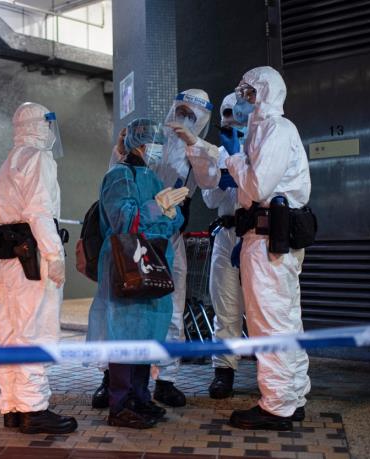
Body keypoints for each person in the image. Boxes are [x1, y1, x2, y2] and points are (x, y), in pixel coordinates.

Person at [173, 67, 311, 431]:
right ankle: (292, 397)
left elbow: (257, 185)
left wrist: (230, 158)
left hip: (268, 239)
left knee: (270, 323)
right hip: (261, 238)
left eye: (249, 94)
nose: (244, 102)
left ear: (266, 93)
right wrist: (202, 146)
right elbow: (218, 181)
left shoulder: (277, 129)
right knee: (282, 320)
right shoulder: (266, 131)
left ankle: (277, 406)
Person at [87, 117, 187, 429]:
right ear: (139, 144)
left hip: (153, 260)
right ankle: (119, 405)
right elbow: (124, 220)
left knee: (147, 334)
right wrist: (157, 208)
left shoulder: (150, 176)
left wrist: (168, 211)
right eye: (152, 143)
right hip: (125, 263)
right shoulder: (119, 176)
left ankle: (140, 397)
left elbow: (173, 222)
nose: (157, 149)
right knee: (124, 335)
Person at [0, 102, 77, 435]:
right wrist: (54, 255)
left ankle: (12, 406)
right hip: (31, 259)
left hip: (5, 262)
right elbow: (39, 212)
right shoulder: (38, 158)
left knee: (9, 333)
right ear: (41, 126)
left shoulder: (9, 160)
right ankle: (34, 409)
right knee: (34, 331)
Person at [151, 89, 214, 407]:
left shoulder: (198, 151)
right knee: (124, 308)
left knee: (173, 310)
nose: (183, 119)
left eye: (192, 115)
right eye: (181, 111)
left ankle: (166, 380)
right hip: (137, 235)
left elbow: (210, 180)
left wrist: (194, 144)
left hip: (172, 237)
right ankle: (113, 377)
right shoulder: (151, 139)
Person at [183, 93, 247, 399]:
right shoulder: (218, 152)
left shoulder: (262, 146)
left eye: (236, 118)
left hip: (257, 234)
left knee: (263, 308)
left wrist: (240, 171)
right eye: (227, 120)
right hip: (226, 232)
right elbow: (209, 198)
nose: (231, 125)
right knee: (225, 304)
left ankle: (275, 375)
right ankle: (224, 371)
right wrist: (222, 179)